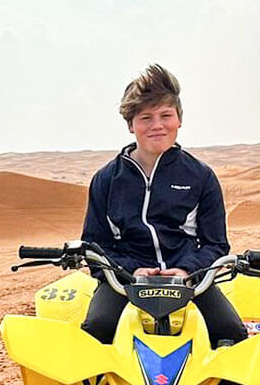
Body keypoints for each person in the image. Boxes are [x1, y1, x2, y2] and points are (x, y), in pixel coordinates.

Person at [79, 64, 247, 345]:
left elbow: (216, 244)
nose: (157, 125)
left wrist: (187, 271)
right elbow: (95, 245)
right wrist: (130, 271)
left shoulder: (200, 176)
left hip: (189, 280)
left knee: (230, 332)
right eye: (145, 117)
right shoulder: (106, 179)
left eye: (166, 115)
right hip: (124, 281)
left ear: (179, 119)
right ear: (131, 125)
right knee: (97, 330)